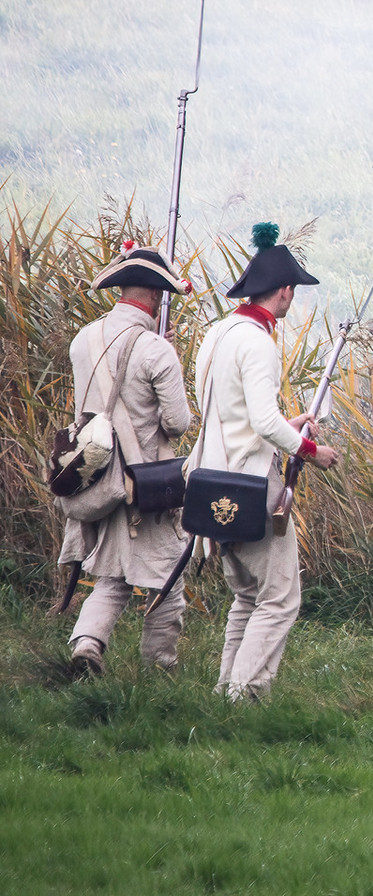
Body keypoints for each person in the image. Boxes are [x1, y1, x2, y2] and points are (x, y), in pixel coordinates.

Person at [196, 223, 339, 701]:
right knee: (279, 600)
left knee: (247, 598)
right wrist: (312, 452)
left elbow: (224, 412)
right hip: (250, 484)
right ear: (283, 291)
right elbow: (259, 421)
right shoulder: (258, 341)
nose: (291, 298)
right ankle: (247, 692)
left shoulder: (218, 334)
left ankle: (226, 691)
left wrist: (287, 422)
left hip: (211, 482)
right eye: (292, 290)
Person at [59, 245, 195, 675]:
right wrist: (166, 361)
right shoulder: (156, 350)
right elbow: (178, 423)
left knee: (112, 575)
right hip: (145, 481)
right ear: (155, 297)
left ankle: (86, 643)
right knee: (168, 577)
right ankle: (160, 670)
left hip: (95, 474)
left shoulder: (84, 338)